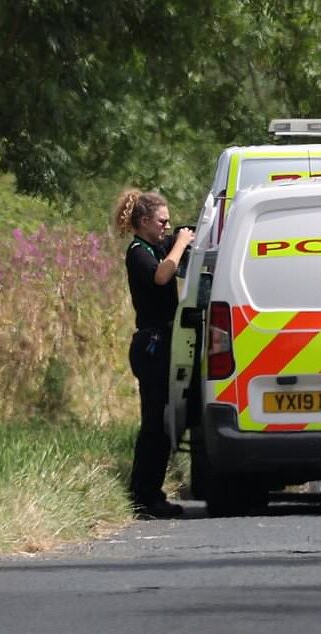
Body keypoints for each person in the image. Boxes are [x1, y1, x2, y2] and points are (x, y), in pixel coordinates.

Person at [113, 189, 195, 518]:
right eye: (162, 221)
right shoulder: (137, 251)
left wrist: (184, 236)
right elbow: (163, 274)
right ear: (144, 221)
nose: (167, 226)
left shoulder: (154, 245)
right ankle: (145, 495)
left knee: (162, 424)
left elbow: (172, 253)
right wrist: (181, 243)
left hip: (163, 343)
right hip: (152, 346)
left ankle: (149, 493)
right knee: (154, 425)